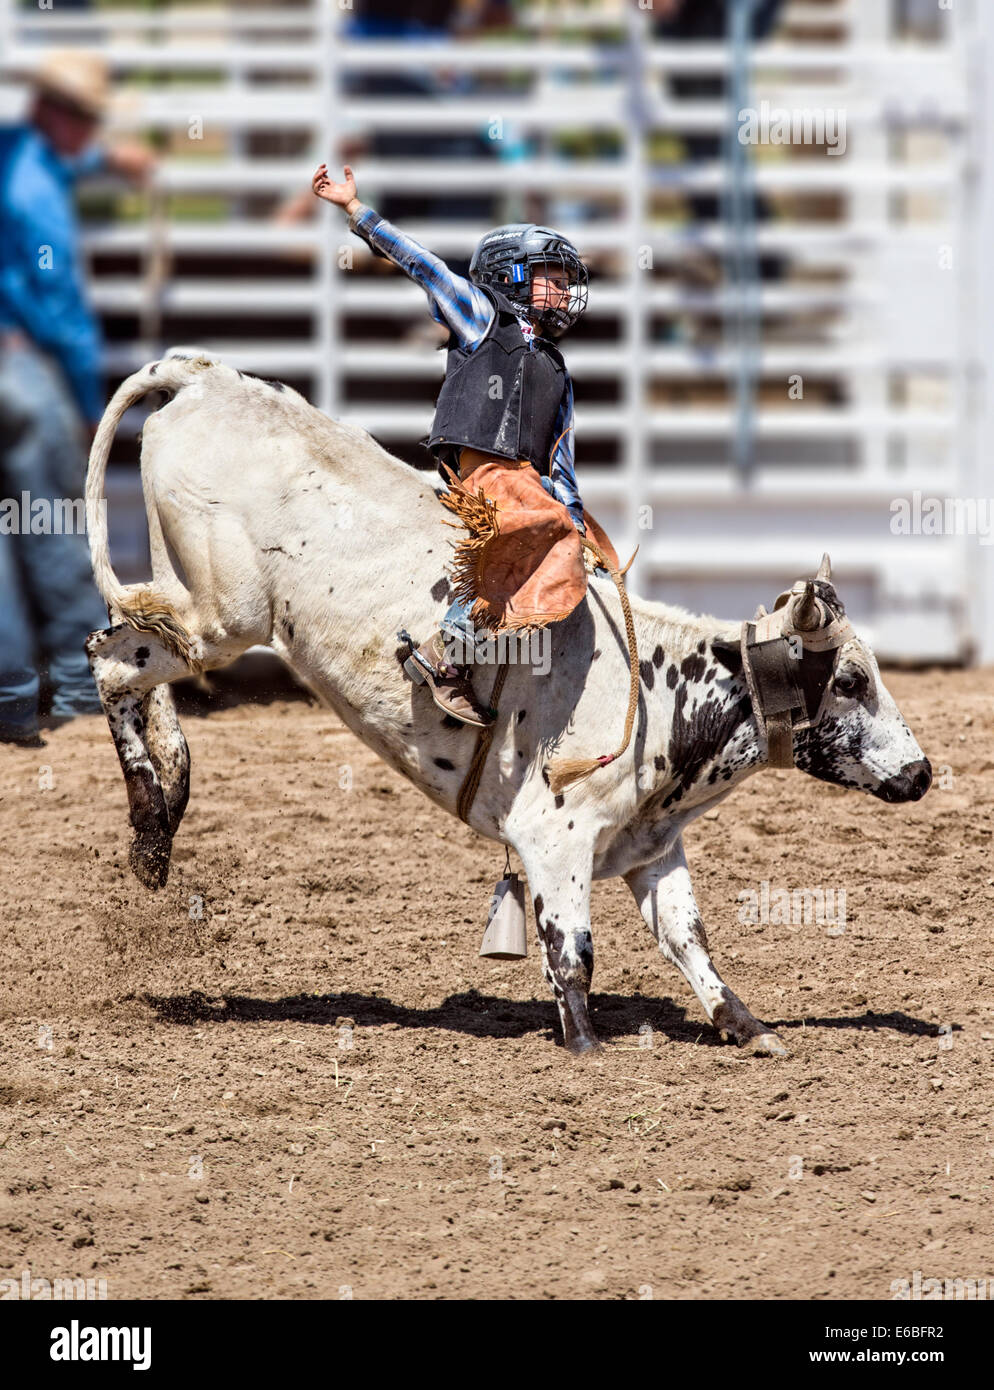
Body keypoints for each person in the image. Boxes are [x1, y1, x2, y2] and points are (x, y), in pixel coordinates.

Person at [312, 162, 614, 728]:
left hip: (526, 480)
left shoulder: (557, 369)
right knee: (542, 526)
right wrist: (356, 210)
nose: (566, 289)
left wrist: (577, 519)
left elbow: (561, 463)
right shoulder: (481, 315)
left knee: (580, 543)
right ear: (510, 277)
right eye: (551, 275)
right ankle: (442, 651)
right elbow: (422, 265)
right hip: (486, 471)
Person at [0, 50, 156, 744]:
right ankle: (76, 688)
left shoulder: (15, 155)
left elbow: (53, 162)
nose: (91, 135)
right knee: (51, 523)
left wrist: (103, 165)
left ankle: (9, 698)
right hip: (21, 372)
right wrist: (90, 397)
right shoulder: (36, 193)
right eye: (87, 122)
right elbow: (60, 307)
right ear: (60, 113)